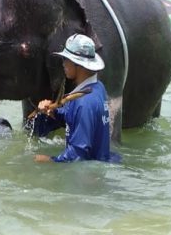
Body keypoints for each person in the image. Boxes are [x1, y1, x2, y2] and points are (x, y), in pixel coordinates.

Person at [33, 33, 116, 163]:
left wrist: (50, 160)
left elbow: (78, 154)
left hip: (85, 178)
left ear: (80, 65)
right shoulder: (97, 88)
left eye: (67, 60)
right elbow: (74, 116)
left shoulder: (84, 102)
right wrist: (53, 112)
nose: (63, 64)